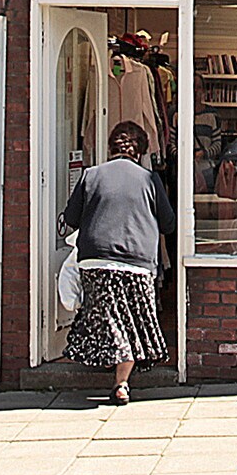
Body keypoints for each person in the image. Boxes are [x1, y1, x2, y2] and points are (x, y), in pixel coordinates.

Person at [60, 120, 175, 404]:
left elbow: (71, 219)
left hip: (96, 259)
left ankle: (112, 366)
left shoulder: (91, 176)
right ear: (141, 150)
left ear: (111, 147)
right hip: (137, 261)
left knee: (110, 317)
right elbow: (169, 224)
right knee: (131, 322)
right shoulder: (150, 179)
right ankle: (121, 382)